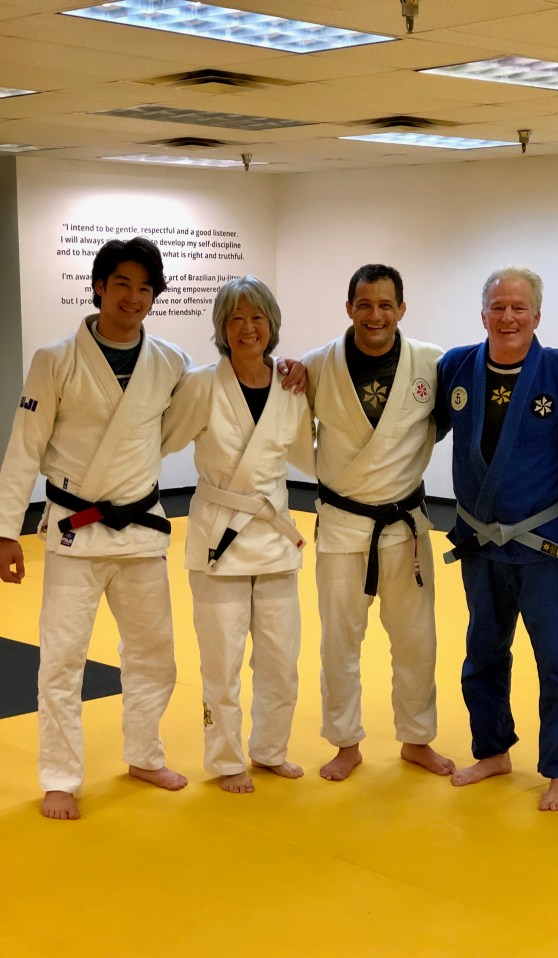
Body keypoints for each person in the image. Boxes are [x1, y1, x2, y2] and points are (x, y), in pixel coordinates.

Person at [0, 237, 192, 820]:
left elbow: (181, 425)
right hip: (74, 531)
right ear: (99, 287)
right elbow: (24, 446)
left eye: (145, 288)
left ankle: (144, 754)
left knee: (155, 655)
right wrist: (6, 530)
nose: (134, 298)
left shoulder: (171, 361)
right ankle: (60, 777)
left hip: (140, 528)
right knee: (62, 659)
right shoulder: (55, 359)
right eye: (122, 284)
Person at [436, 267, 558, 809]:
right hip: (479, 544)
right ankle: (493, 749)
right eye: (497, 307)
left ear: (537, 316)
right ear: (482, 315)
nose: (508, 317)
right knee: (483, 652)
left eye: (519, 308)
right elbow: (408, 426)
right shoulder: (456, 367)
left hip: (540, 544)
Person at [161, 276, 314, 793]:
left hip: (273, 537)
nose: (248, 328)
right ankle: (226, 760)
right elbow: (161, 439)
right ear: (222, 329)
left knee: (280, 660)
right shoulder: (202, 385)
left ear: (272, 324)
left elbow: (309, 455)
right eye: (236, 319)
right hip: (218, 539)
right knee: (221, 663)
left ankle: (270, 749)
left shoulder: (291, 386)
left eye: (257, 317)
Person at [303, 264, 454, 781]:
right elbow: (292, 431)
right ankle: (346, 743)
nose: (375, 315)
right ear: (348, 308)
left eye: (385, 305)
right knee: (339, 640)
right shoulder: (316, 366)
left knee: (417, 638)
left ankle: (417, 738)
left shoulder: (432, 363)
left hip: (404, 526)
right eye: (364, 305)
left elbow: (450, 421)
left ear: (401, 309)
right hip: (342, 523)